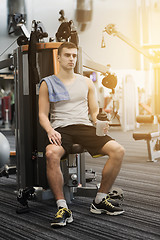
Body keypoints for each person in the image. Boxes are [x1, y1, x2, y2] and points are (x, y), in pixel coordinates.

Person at [38, 42, 125, 227]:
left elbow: (93, 112)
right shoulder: (48, 83)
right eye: (67, 55)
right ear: (59, 57)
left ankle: (100, 200)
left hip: (84, 126)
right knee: (51, 153)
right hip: (61, 128)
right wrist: (50, 130)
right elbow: (42, 115)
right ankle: (62, 207)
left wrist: (99, 122)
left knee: (118, 150)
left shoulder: (86, 82)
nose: (71, 59)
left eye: (74, 56)